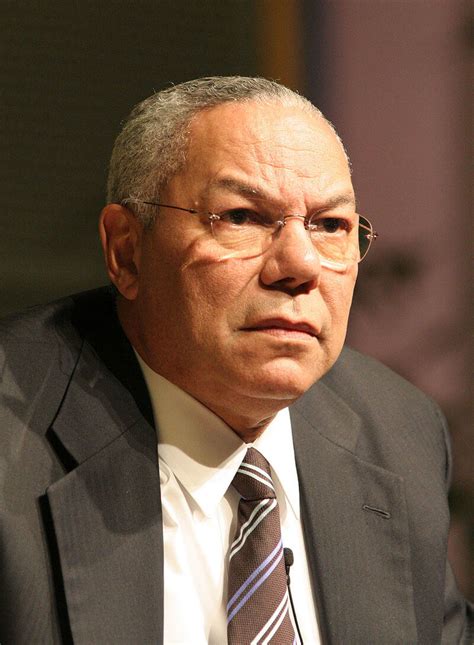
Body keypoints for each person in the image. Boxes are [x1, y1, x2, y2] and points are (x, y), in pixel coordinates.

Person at [0, 76, 471, 644]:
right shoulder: (11, 442)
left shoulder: (399, 432)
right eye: (242, 216)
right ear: (127, 251)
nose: (300, 266)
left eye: (330, 225)